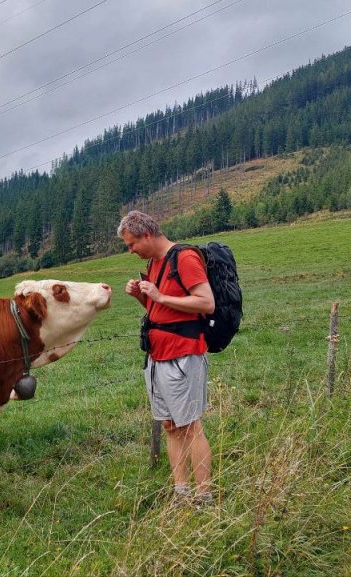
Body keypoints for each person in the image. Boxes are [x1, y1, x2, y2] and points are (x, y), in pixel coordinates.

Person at [118, 210, 215, 505]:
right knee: (171, 425)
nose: (130, 250)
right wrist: (143, 297)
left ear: (147, 235)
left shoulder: (185, 258)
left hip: (183, 354)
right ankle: (181, 492)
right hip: (158, 355)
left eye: (132, 244)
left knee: (190, 425)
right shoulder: (154, 263)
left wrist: (158, 296)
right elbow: (161, 311)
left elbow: (206, 303)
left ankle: (204, 495)